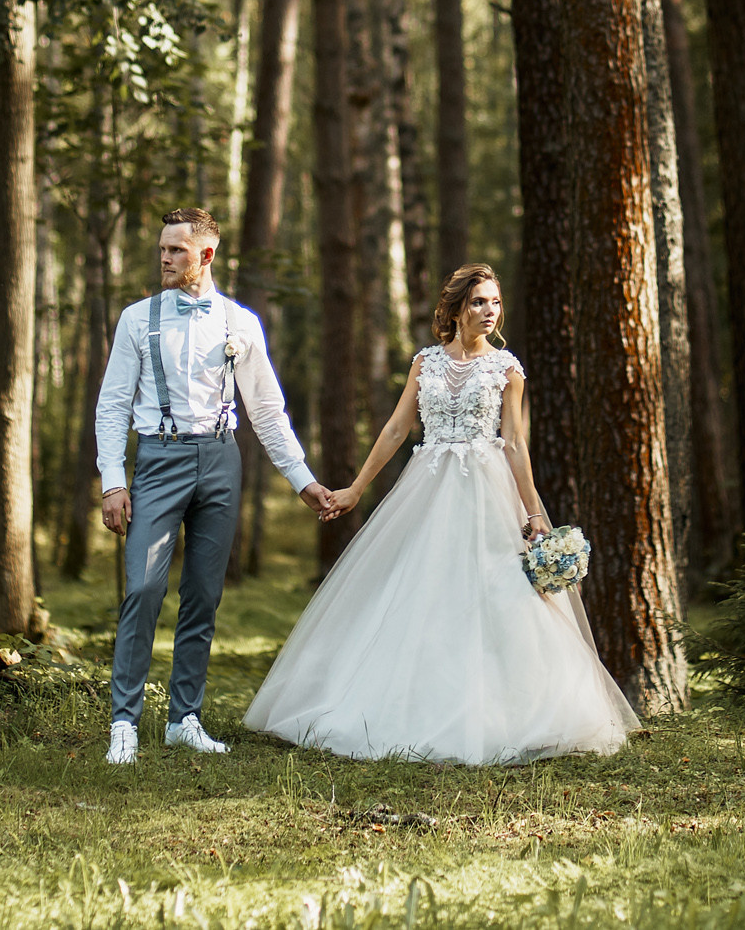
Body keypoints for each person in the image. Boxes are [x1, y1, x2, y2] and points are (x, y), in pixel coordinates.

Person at [243, 264, 637, 763]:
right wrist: (356, 488)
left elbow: (515, 442)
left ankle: (510, 714)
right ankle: (402, 706)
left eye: (495, 302)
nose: (489, 312)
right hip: (427, 486)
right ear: (454, 309)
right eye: (478, 303)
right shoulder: (425, 363)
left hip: (487, 490)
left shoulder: (507, 369)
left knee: (498, 596)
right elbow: (394, 429)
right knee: (416, 590)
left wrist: (534, 512)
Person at [95, 207, 341, 765]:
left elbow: (268, 411)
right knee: (143, 589)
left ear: (205, 255)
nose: (164, 257)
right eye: (162, 247)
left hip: (221, 461)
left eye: (177, 250)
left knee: (203, 596)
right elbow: (112, 406)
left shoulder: (240, 322)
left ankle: (185, 718)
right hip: (158, 459)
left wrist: (301, 479)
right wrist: (114, 481)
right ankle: (124, 723)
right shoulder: (137, 319)